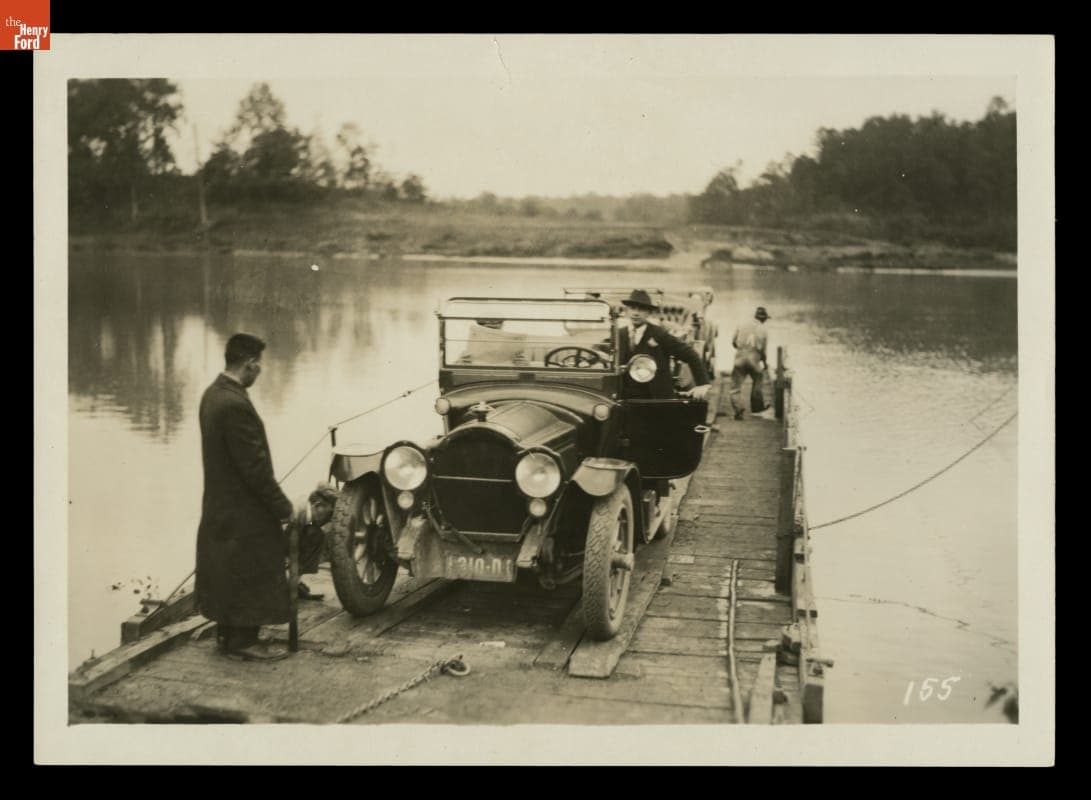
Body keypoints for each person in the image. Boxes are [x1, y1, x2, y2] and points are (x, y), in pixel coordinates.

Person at [196, 333, 295, 662]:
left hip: (219, 504)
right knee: (252, 566)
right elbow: (255, 469)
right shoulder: (235, 405)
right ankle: (243, 641)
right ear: (250, 364)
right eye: (259, 365)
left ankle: (228, 635)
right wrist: (284, 508)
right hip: (244, 509)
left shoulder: (213, 395)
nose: (260, 371)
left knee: (227, 568)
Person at [618, 289, 711, 401]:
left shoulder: (659, 334)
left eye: (641, 309)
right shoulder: (620, 333)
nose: (636, 313)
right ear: (627, 311)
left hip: (656, 397)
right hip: (626, 397)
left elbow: (691, 354)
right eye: (632, 308)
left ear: (648, 313)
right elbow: (604, 348)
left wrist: (702, 384)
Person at [286, 482, 340, 600]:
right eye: (330, 513)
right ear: (318, 505)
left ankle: (295, 582)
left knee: (317, 535)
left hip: (291, 533)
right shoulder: (295, 509)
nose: (329, 518)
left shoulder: (309, 512)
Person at [730, 306, 771, 420]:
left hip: (740, 359)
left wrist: (741, 349)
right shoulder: (764, 331)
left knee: (735, 387)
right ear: (763, 319)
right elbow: (763, 351)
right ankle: (757, 408)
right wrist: (765, 363)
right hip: (754, 361)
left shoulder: (742, 325)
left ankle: (738, 410)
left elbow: (733, 342)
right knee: (758, 379)